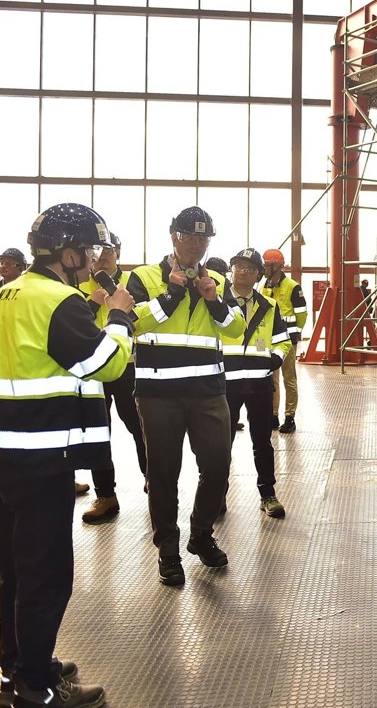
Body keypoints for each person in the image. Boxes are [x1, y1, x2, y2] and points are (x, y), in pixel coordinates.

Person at [0, 203, 133, 708]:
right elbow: (106, 364)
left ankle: (20, 666)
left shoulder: (4, 295)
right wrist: (119, 316)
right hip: (39, 458)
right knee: (47, 575)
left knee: (15, 571)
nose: (94, 260)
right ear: (67, 255)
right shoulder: (58, 301)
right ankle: (36, 687)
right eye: (89, 251)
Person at [128, 206, 246, 586]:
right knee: (163, 473)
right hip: (158, 394)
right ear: (173, 236)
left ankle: (201, 534)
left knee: (218, 464)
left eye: (203, 238)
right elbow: (132, 322)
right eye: (189, 236)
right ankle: (168, 549)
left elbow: (236, 329)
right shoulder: (144, 277)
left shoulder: (218, 281)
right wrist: (171, 294)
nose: (196, 244)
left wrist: (213, 299)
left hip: (208, 392)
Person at [79, 233, 147, 524]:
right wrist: (94, 303)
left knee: (139, 427)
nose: (104, 255)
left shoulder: (133, 281)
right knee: (97, 432)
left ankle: (153, 481)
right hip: (93, 371)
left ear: (118, 252)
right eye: (99, 250)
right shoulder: (80, 282)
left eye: (110, 250)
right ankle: (105, 495)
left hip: (126, 366)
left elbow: (143, 319)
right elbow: (71, 323)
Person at [224, 248, 292, 519]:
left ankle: (268, 494)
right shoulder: (216, 302)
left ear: (258, 276)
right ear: (231, 271)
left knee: (262, 442)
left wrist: (275, 360)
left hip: (259, 384)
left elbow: (283, 341)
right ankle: (216, 495)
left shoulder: (269, 305)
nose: (243, 272)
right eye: (239, 266)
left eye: (250, 269)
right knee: (220, 444)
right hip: (225, 385)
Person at [261, 248, 306, 433]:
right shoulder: (264, 286)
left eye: (267, 265)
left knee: (289, 378)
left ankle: (289, 417)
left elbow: (302, 315)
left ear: (277, 266)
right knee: (271, 379)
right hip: (267, 340)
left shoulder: (293, 287)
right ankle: (273, 415)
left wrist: (294, 334)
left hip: (287, 340)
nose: (264, 269)